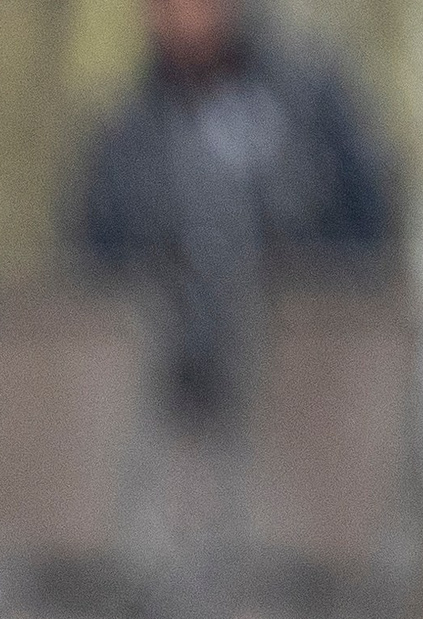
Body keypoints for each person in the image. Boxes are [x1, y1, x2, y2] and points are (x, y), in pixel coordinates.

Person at [72, 0, 401, 619]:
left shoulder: (309, 99)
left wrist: (321, 322)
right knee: (196, 564)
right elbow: (92, 260)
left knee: (327, 576)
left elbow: (374, 227)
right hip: (188, 402)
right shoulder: (129, 130)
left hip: (312, 398)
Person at [76, 0, 396, 424]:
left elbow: (372, 236)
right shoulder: (123, 136)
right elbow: (93, 276)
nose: (186, 14)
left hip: (311, 395)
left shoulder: (311, 100)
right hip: (170, 412)